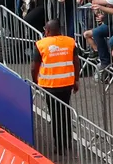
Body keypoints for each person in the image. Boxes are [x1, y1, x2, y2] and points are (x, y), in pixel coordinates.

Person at [31, 19, 80, 155]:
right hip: (67, 84)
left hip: (49, 86)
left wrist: (35, 82)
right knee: (65, 113)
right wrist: (76, 80)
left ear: (46, 31)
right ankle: (68, 143)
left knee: (55, 115)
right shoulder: (70, 42)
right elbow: (76, 62)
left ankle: (59, 146)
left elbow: (34, 67)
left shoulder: (41, 44)